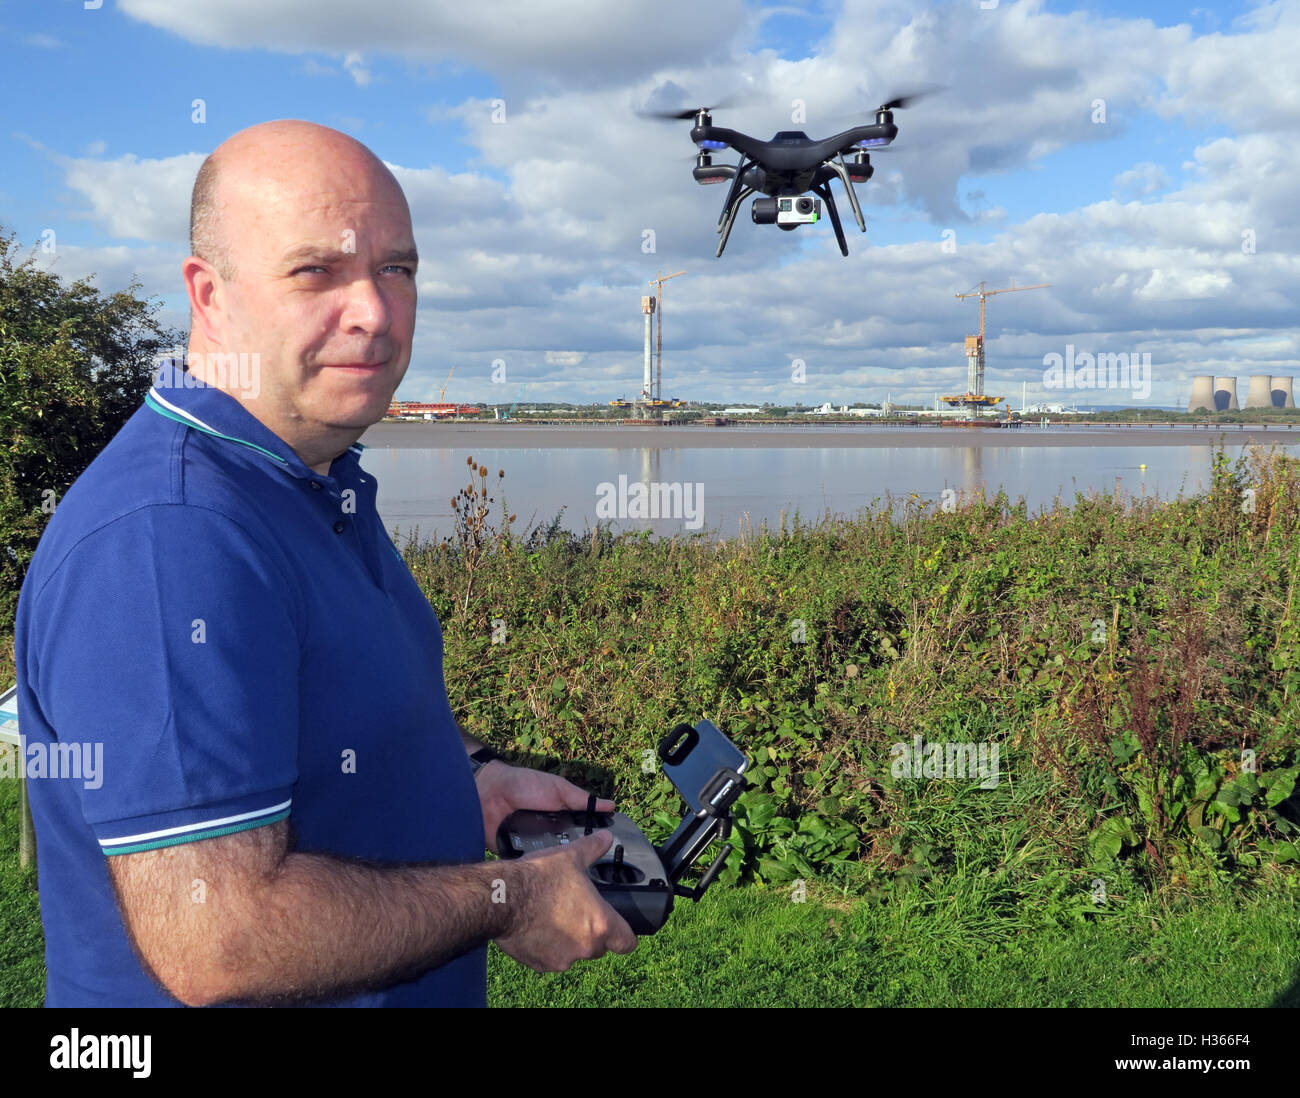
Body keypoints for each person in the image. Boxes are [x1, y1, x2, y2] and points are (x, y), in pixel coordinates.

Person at [14, 119, 637, 1007]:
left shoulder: (309, 475)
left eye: (398, 269)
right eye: (316, 271)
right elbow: (222, 939)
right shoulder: (171, 537)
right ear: (210, 294)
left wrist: (472, 785)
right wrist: (512, 898)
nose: (375, 313)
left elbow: (330, 715)